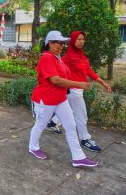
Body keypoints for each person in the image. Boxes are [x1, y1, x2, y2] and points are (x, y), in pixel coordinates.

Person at [29, 30, 98, 168]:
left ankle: (78, 157)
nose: (62, 46)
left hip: (60, 99)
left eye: (63, 43)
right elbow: (56, 80)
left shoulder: (58, 57)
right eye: (59, 43)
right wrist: (79, 84)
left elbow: (65, 76)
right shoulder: (46, 58)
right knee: (41, 124)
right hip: (46, 99)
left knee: (71, 126)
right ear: (50, 43)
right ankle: (33, 147)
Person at [61, 31, 111, 152]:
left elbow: (89, 71)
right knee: (81, 116)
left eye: (83, 39)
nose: (81, 41)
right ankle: (84, 140)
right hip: (73, 90)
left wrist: (103, 82)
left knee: (67, 112)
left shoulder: (82, 56)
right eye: (78, 39)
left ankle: (52, 123)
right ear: (73, 41)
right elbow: (60, 71)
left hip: (79, 90)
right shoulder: (66, 58)